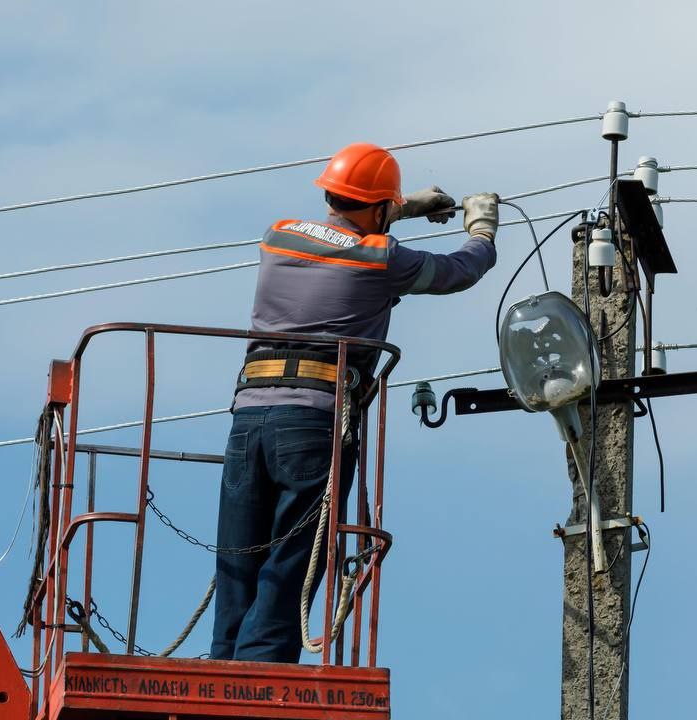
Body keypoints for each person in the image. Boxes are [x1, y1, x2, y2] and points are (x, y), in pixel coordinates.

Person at [210, 142, 500, 663]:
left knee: (237, 548)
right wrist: (482, 230)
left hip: (247, 417)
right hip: (313, 421)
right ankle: (260, 665)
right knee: (294, 552)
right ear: (378, 208)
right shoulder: (383, 258)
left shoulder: (278, 236)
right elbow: (459, 270)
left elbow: (341, 230)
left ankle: (224, 655)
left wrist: (403, 205)